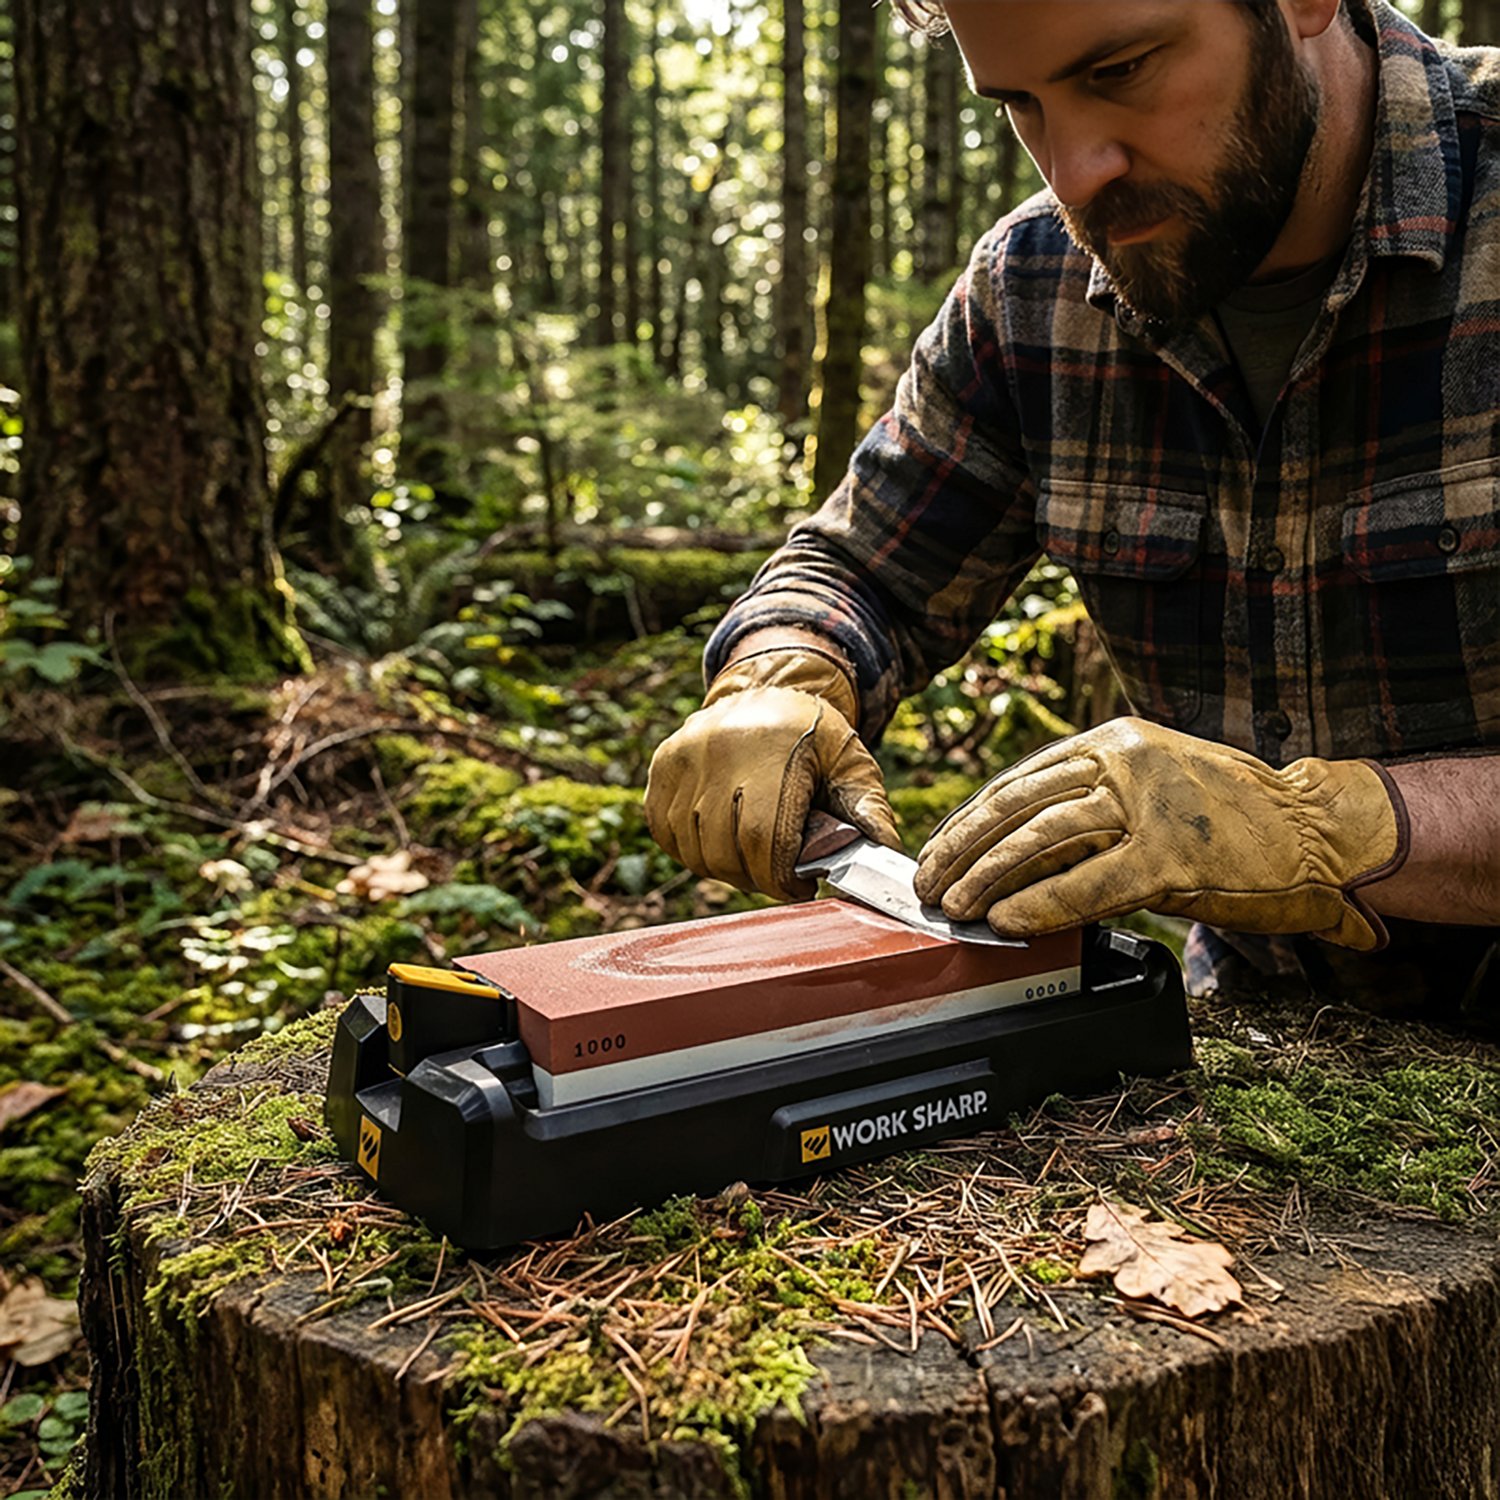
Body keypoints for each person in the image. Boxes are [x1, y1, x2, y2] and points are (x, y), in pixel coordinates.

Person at [645, 0, 1500, 1018]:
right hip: (1260, 1045)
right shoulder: (1034, 286)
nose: (1075, 172)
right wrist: (778, 675)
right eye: (1020, 105)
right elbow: (863, 569)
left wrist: (1334, 828)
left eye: (1122, 71)